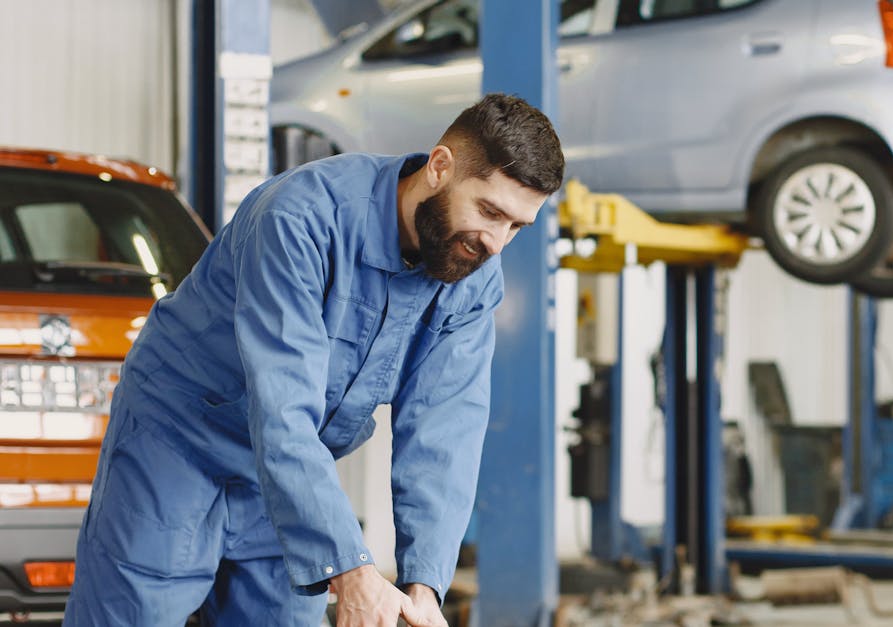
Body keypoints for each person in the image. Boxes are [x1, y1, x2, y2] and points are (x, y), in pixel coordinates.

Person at [63, 93, 564, 626]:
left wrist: (424, 585)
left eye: (516, 226)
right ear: (440, 167)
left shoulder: (474, 275)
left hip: (290, 481)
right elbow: (282, 408)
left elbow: (445, 434)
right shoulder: (300, 217)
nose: (495, 243)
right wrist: (352, 570)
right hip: (179, 445)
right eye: (489, 211)